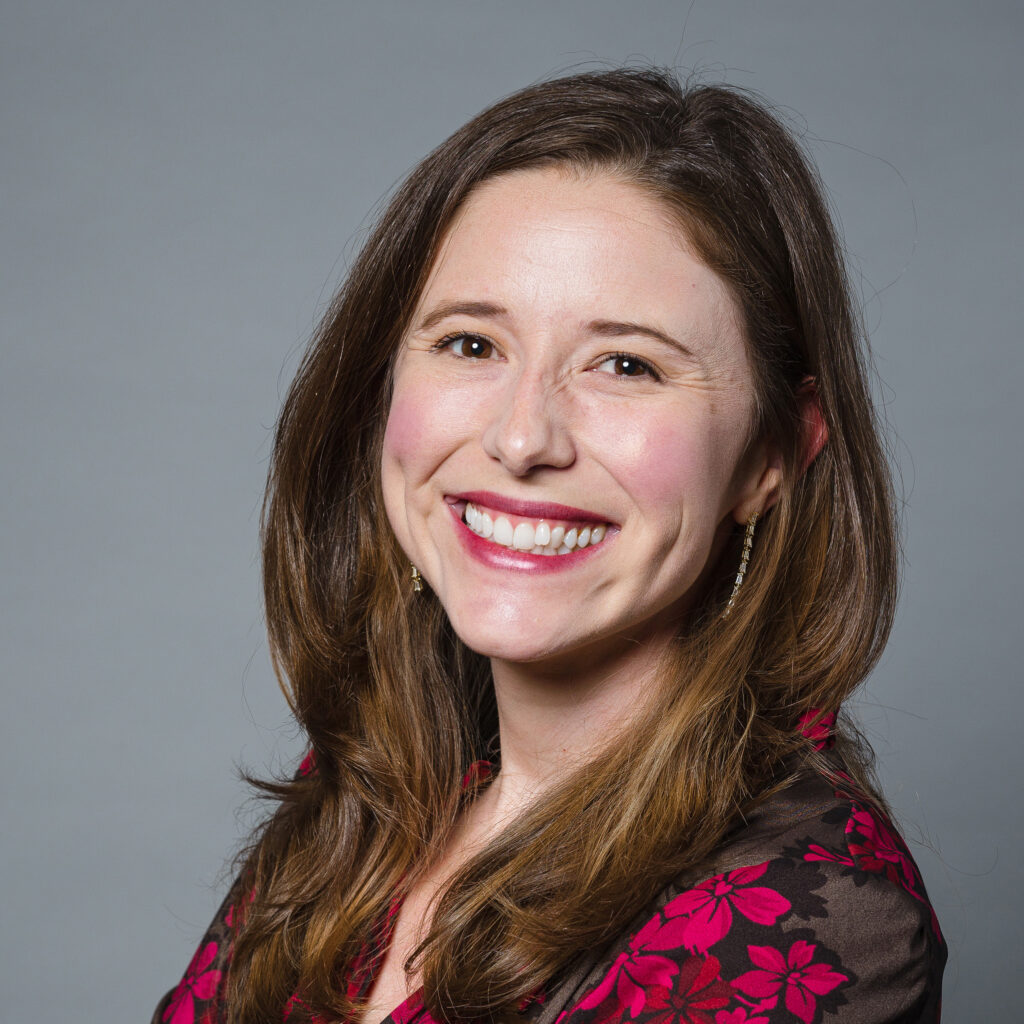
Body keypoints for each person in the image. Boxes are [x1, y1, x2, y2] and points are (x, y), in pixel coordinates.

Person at [153, 68, 945, 1024]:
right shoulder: (374, 801)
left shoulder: (806, 919)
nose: (523, 439)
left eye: (626, 364)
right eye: (471, 345)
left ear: (772, 456)